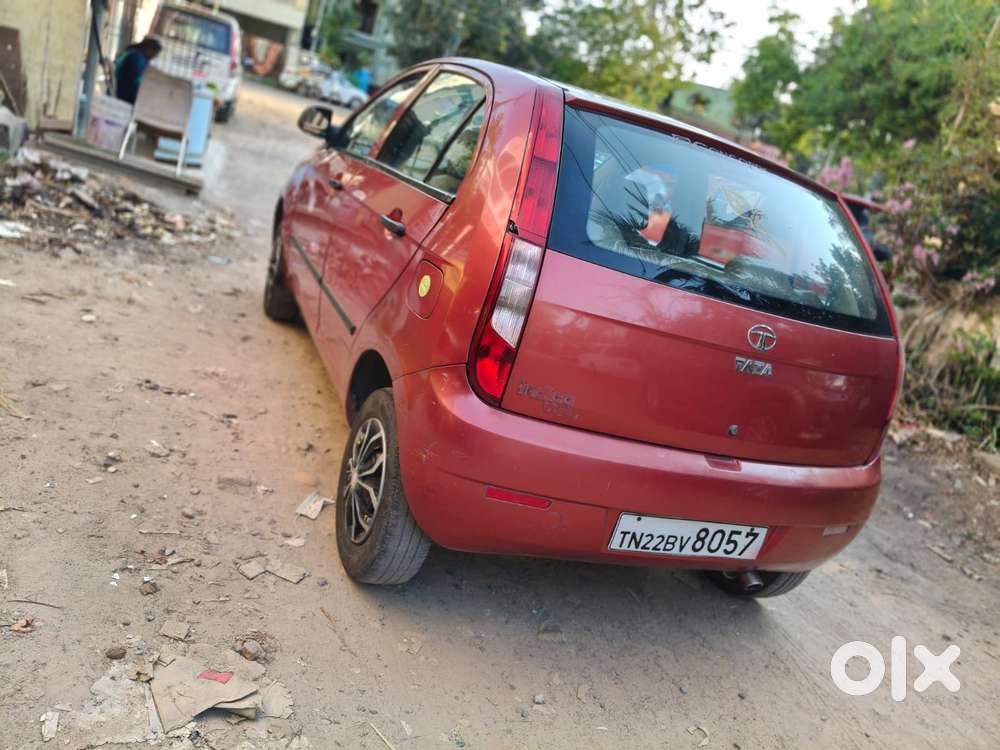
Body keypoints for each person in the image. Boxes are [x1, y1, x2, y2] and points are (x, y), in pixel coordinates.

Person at [114, 37, 162, 105]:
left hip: (125, 90)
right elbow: (136, 80)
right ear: (149, 49)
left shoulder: (138, 55)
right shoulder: (137, 58)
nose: (156, 56)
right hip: (125, 93)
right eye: (156, 53)